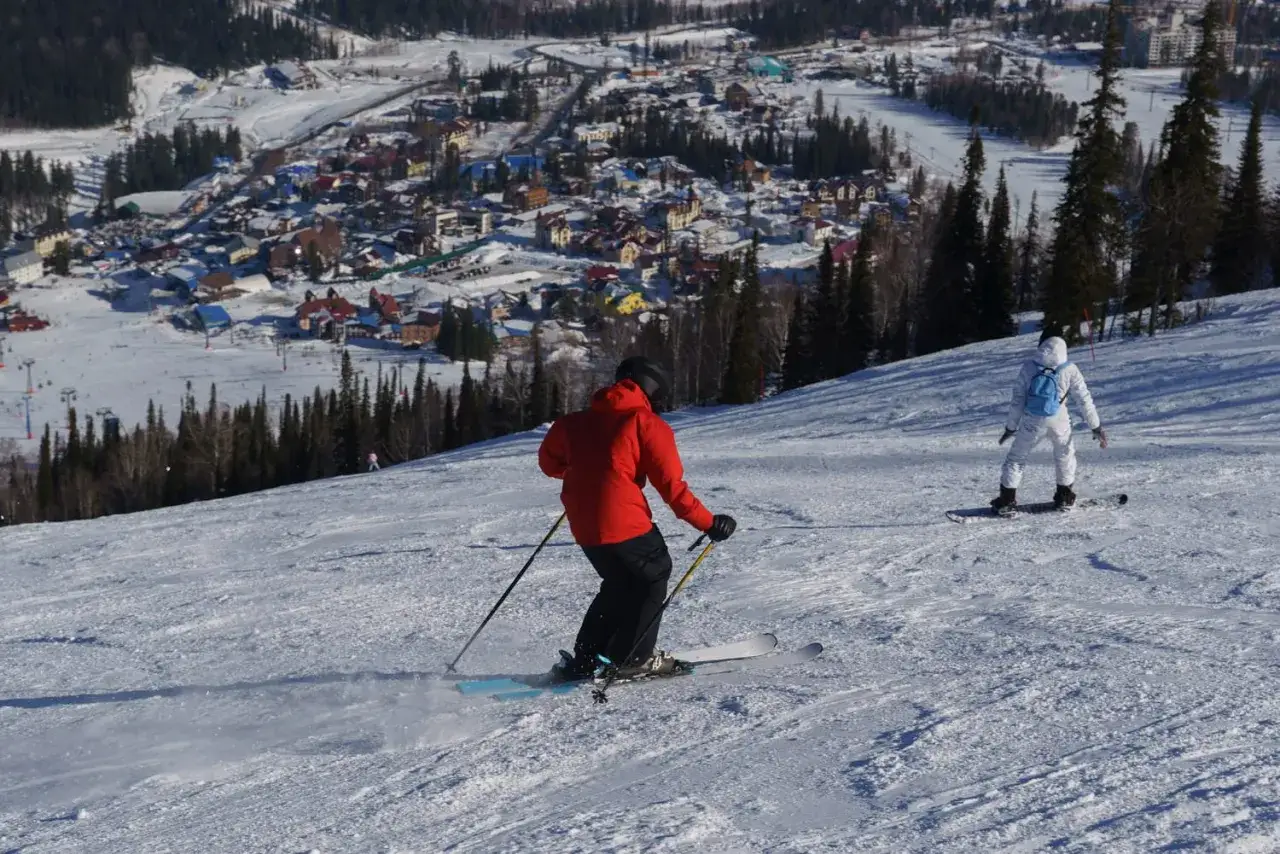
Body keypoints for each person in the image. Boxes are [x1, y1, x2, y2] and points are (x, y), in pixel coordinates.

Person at [538, 355, 737, 681]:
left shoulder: (573, 422)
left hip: (583, 523)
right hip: (623, 521)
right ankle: (633, 658)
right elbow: (673, 489)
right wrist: (709, 523)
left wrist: (591, 473)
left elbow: (549, 464)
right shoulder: (646, 423)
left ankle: (587, 658)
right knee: (654, 574)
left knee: (619, 583)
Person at [993, 336, 1107, 515]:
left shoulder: (1029, 367)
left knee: (1016, 458)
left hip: (1032, 420)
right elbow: (1084, 400)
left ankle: (1007, 501)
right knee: (1065, 456)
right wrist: (1096, 426)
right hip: (1059, 419)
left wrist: (1011, 427)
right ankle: (1064, 498)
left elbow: (1017, 400)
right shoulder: (1070, 369)